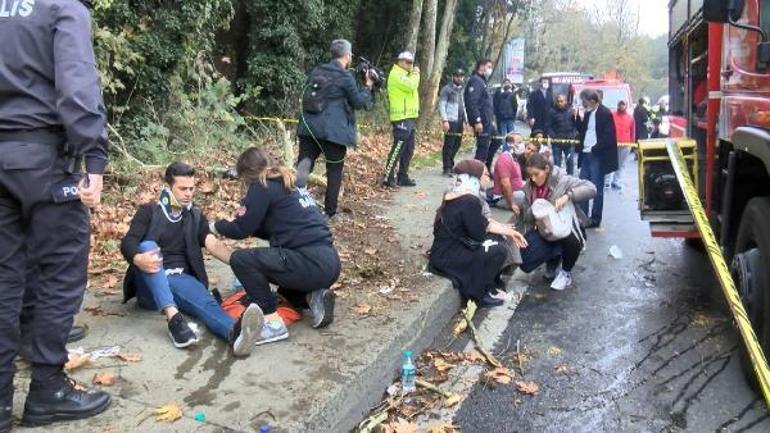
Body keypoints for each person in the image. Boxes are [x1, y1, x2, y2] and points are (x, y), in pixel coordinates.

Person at [0, 1, 112, 429]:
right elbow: (77, 84)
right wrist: (94, 157)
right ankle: (47, 388)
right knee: (60, 273)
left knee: (4, 279)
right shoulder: (61, 7)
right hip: (43, 161)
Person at [120, 162, 263, 356]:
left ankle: (236, 334)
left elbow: (212, 243)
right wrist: (137, 258)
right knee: (147, 247)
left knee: (206, 303)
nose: (188, 193)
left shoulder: (195, 216)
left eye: (191, 189)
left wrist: (242, 264)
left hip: (179, 279)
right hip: (149, 284)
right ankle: (174, 319)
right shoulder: (149, 211)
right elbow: (128, 242)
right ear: (169, 186)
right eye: (182, 188)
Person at [210, 148, 341, 345]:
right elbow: (273, 228)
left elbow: (241, 229)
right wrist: (249, 223)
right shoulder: (288, 184)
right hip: (329, 264)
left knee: (242, 260)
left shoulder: (261, 185)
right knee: (283, 296)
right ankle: (313, 296)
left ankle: (272, 323)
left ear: (246, 174)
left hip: (309, 262)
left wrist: (214, 226)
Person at [429, 160, 528, 308]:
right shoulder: (470, 200)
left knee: (496, 239)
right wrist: (503, 232)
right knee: (498, 250)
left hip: (443, 252)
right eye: (486, 175)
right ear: (474, 178)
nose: (489, 178)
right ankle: (477, 294)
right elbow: (479, 235)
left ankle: (487, 285)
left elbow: (483, 222)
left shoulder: (457, 194)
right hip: (448, 257)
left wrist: (509, 232)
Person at [296, 39, 374, 219]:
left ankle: (293, 205)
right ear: (347, 56)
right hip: (333, 132)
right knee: (334, 171)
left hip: (309, 128)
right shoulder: (345, 76)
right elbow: (358, 102)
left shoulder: (316, 70)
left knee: (303, 166)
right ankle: (330, 212)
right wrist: (368, 86)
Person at [515, 154, 596, 291]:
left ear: (546, 169)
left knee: (569, 240)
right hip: (545, 229)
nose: (533, 179)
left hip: (567, 227)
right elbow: (527, 220)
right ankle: (553, 256)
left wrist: (568, 196)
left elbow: (591, 188)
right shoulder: (529, 187)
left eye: (536, 174)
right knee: (525, 260)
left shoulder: (562, 180)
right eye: (530, 176)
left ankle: (566, 272)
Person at [576, 88, 618, 228]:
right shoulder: (588, 113)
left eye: (585, 101)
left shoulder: (605, 113)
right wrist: (576, 118)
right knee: (583, 186)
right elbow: (583, 131)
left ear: (592, 101)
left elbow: (609, 136)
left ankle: (595, 218)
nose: (583, 104)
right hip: (586, 153)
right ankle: (582, 216)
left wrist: (595, 148)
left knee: (596, 188)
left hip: (597, 155)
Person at [382, 51, 421, 188]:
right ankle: (387, 177)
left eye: (412, 63)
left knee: (409, 149)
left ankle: (402, 177)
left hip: (409, 117)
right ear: (400, 61)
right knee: (398, 148)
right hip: (401, 117)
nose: (411, 66)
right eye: (408, 63)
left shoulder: (406, 75)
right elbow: (411, 86)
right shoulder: (396, 74)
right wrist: (416, 73)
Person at [465, 59, 496, 170]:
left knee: (497, 140)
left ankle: (486, 167)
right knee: (482, 147)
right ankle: (476, 173)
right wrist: (477, 121)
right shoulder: (476, 81)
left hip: (487, 121)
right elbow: (472, 102)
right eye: (489, 66)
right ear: (482, 66)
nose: (490, 69)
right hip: (481, 121)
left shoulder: (482, 81)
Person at [438, 69, 467, 177]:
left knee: (457, 144)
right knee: (449, 144)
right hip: (450, 121)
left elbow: (463, 106)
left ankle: (450, 163)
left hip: (459, 120)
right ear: (453, 77)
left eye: (461, 76)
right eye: (457, 76)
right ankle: (446, 167)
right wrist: (445, 120)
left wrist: (465, 120)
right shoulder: (447, 89)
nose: (459, 78)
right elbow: (442, 105)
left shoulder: (462, 90)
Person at [488, 139, 524, 214]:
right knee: (534, 198)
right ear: (510, 144)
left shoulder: (514, 157)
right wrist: (512, 204)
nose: (522, 144)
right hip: (503, 198)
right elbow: (505, 184)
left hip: (515, 191)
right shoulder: (505, 159)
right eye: (519, 142)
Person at [546, 94, 578, 175]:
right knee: (557, 163)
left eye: (562, 101)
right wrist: (553, 136)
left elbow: (576, 125)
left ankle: (570, 179)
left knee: (570, 161)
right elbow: (548, 126)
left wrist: (573, 134)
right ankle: (557, 180)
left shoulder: (570, 111)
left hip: (569, 141)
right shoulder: (552, 112)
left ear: (566, 101)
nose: (560, 103)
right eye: (558, 101)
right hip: (557, 142)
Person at [607, 100, 635, 190]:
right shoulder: (612, 116)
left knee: (621, 164)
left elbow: (633, 131)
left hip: (626, 144)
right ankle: (607, 181)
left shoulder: (630, 118)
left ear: (626, 106)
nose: (621, 106)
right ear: (618, 105)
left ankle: (616, 180)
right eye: (620, 104)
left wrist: (632, 142)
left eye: (623, 104)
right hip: (612, 143)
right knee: (610, 162)